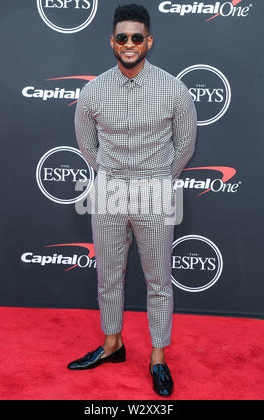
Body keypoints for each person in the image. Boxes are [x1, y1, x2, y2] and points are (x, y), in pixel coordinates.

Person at [68, 4, 197, 397]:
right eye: (121, 37)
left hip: (155, 192)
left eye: (136, 38)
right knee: (108, 276)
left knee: (158, 280)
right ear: (112, 41)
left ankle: (158, 356)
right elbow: (86, 145)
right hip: (108, 192)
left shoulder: (174, 88)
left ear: (148, 42)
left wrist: (157, 178)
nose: (129, 44)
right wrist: (110, 175)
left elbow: (186, 145)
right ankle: (113, 344)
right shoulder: (92, 91)